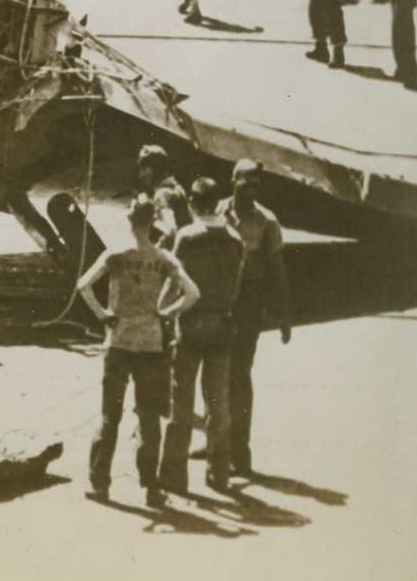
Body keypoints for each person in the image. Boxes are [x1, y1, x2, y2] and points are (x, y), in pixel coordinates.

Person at [78, 196, 200, 507]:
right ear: (152, 221)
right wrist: (169, 313)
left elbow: (83, 285)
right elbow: (192, 293)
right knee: (149, 419)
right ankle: (151, 488)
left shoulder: (116, 255)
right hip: (151, 345)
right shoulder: (162, 258)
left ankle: (100, 484)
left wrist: (103, 314)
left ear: (129, 221)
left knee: (110, 417)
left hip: (118, 343)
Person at [158, 177, 243, 494]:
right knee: (218, 405)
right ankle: (219, 474)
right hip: (221, 327)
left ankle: (174, 477)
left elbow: (174, 281)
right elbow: (235, 286)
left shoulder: (187, 236)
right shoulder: (235, 239)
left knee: (181, 403)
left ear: (192, 203)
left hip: (190, 327)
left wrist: (162, 310)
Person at [219, 159, 290, 477]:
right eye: (246, 182)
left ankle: (239, 451)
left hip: (249, 301)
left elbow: (277, 269)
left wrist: (284, 313)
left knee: (239, 374)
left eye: (257, 185)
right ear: (233, 181)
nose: (251, 189)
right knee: (216, 374)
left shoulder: (267, 222)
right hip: (218, 299)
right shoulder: (215, 212)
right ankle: (216, 448)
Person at [136, 144, 192, 250]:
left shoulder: (162, 195)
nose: (141, 175)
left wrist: (153, 254)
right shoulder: (178, 188)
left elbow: (171, 232)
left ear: (157, 168)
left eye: (145, 169)